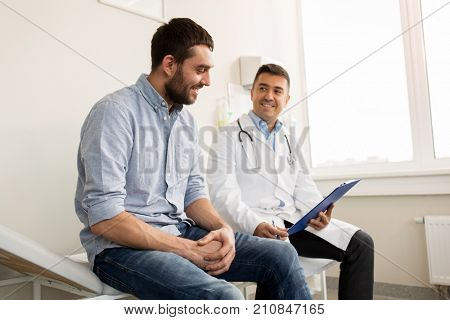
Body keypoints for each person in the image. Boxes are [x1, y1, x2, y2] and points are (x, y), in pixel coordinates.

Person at [74, 19, 311, 300]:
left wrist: (223, 230)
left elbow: (193, 194)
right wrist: (185, 249)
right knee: (226, 298)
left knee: (281, 254)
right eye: (200, 70)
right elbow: (106, 219)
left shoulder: (185, 121)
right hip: (120, 249)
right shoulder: (115, 113)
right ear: (170, 64)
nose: (208, 81)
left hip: (179, 231)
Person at [207, 64, 374, 299]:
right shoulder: (226, 136)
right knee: (277, 259)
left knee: (361, 243)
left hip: (293, 223)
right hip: (252, 225)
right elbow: (223, 196)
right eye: (263, 88)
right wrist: (254, 224)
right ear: (252, 92)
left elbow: (304, 186)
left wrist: (318, 210)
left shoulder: (289, 137)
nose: (269, 96)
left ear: (287, 98)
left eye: (277, 91)